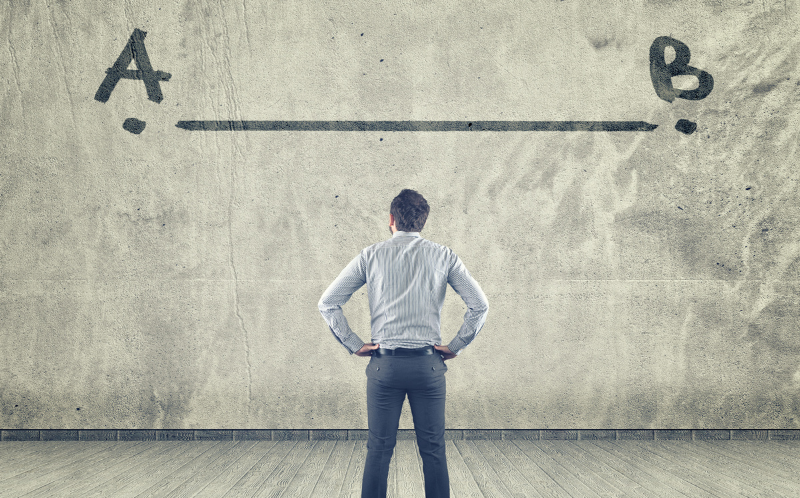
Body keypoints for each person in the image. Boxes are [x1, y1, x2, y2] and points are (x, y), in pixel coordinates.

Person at [318, 189, 489, 498]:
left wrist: (354, 343)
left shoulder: (370, 255)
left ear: (391, 219)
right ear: (422, 221)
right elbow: (480, 305)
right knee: (434, 450)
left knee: (379, 449)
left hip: (384, 366)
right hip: (428, 367)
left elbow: (328, 303)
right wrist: (455, 345)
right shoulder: (444, 255)